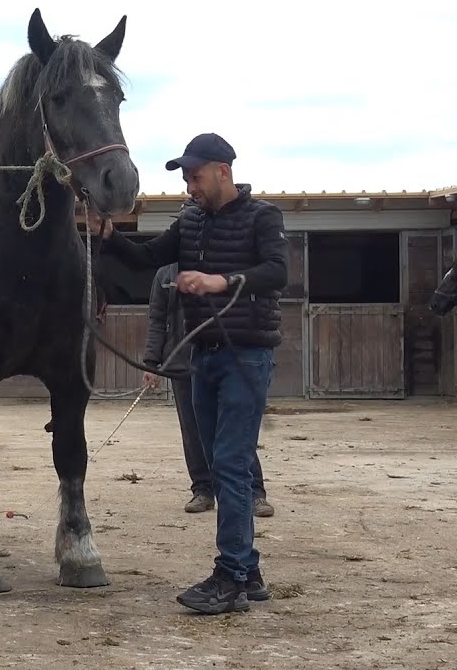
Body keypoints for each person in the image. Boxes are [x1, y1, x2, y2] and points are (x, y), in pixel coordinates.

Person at [90, 132, 286, 615]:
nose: (189, 187)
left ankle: (230, 577)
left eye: (195, 177)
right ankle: (248, 570)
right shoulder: (191, 220)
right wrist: (111, 237)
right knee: (220, 464)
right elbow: (148, 258)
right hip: (202, 356)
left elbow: (277, 272)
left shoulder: (262, 216)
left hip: (246, 355)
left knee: (230, 464)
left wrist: (222, 281)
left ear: (223, 172)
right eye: (186, 179)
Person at [142, 261, 274, 517]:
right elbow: (157, 319)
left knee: (234, 430)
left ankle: (255, 491)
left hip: (220, 358)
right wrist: (151, 362)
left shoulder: (217, 261)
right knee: (192, 431)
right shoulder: (165, 274)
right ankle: (202, 489)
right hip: (181, 362)